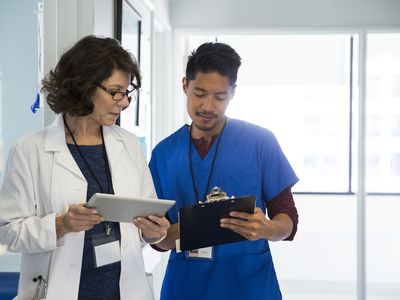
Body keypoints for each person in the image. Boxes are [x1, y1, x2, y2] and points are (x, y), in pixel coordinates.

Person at [0, 35, 170, 300]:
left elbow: (144, 217)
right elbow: (8, 231)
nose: (123, 102)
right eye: (115, 92)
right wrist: (60, 225)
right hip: (58, 290)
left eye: (127, 94)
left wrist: (154, 231)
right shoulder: (29, 151)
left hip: (126, 291)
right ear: (84, 86)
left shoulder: (128, 144)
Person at [149, 42, 299, 300]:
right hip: (186, 286)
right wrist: (172, 232)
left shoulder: (260, 142)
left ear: (233, 93)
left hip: (249, 285)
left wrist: (267, 229)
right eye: (199, 93)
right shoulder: (163, 153)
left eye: (220, 97)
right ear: (185, 85)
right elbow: (158, 241)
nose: (208, 106)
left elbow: (288, 219)